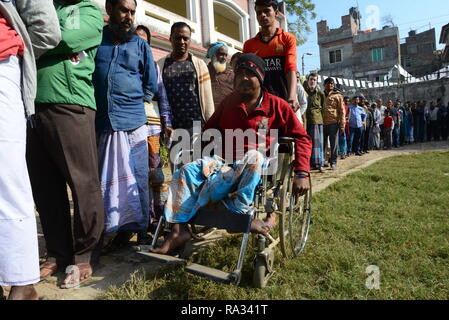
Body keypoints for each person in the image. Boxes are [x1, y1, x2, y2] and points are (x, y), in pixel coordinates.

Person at [151, 54, 312, 255]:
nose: (244, 78)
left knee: (254, 156)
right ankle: (178, 230)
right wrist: (198, 156)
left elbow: (303, 138)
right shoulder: (229, 102)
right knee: (185, 170)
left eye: (250, 74)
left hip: (257, 165)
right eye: (240, 74)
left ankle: (238, 215)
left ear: (260, 78)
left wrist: (301, 173)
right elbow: (208, 132)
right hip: (223, 162)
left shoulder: (277, 106)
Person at [26, 0, 104, 289]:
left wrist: (34, 38)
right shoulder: (45, 6)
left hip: (72, 105)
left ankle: (85, 253)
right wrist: (42, 37)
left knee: (83, 182)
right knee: (45, 188)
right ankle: (58, 252)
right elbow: (46, 38)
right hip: (33, 105)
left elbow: (63, 38)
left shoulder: (88, 10)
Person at [0, 0, 60, 300]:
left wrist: (16, 48)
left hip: (1, 64)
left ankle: (22, 285)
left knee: (7, 177)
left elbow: (46, 29)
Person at [93, 0, 158, 246]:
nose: (129, 16)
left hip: (133, 123)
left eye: (132, 12)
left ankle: (139, 229)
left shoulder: (140, 45)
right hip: (102, 123)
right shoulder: (96, 39)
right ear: (109, 8)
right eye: (123, 10)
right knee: (105, 181)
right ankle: (109, 230)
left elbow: (149, 84)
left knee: (137, 179)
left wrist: (130, 102)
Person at [135, 25, 173, 243]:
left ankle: (157, 220)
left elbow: (163, 96)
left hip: (152, 129)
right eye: (137, 39)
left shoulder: (153, 67)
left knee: (155, 175)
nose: (141, 44)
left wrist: (166, 122)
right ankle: (139, 222)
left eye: (144, 40)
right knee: (136, 178)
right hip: (129, 128)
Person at [158, 22, 215, 132]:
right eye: (178, 38)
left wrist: (210, 125)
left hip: (197, 126)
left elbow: (208, 99)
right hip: (171, 128)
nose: (182, 42)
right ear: (170, 38)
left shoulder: (199, 65)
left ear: (190, 40)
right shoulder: (160, 65)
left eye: (185, 38)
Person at [243, 0, 299, 111]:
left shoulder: (287, 39)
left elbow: (290, 67)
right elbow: (246, 75)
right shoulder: (249, 45)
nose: (262, 15)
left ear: (276, 13)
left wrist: (292, 96)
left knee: (291, 128)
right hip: (260, 105)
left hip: (284, 102)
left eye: (266, 11)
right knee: (263, 128)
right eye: (259, 12)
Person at [304, 73, 325, 173]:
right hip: (306, 121)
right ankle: (309, 164)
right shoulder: (304, 92)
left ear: (317, 82)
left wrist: (321, 119)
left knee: (318, 144)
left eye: (314, 80)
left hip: (317, 121)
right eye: (311, 79)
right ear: (308, 81)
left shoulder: (320, 93)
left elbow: (323, 107)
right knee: (308, 143)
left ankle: (319, 164)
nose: (312, 81)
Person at [323, 77, 345, 170]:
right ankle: (323, 161)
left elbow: (342, 110)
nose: (330, 85)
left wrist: (342, 124)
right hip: (322, 123)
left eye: (332, 83)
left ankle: (333, 162)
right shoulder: (320, 94)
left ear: (334, 85)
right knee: (322, 144)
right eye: (328, 83)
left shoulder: (338, 96)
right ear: (324, 85)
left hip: (333, 123)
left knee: (333, 144)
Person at [206, 42, 235, 110]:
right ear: (212, 55)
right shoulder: (203, 72)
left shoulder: (232, 75)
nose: (224, 58)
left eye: (226, 55)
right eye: (221, 54)